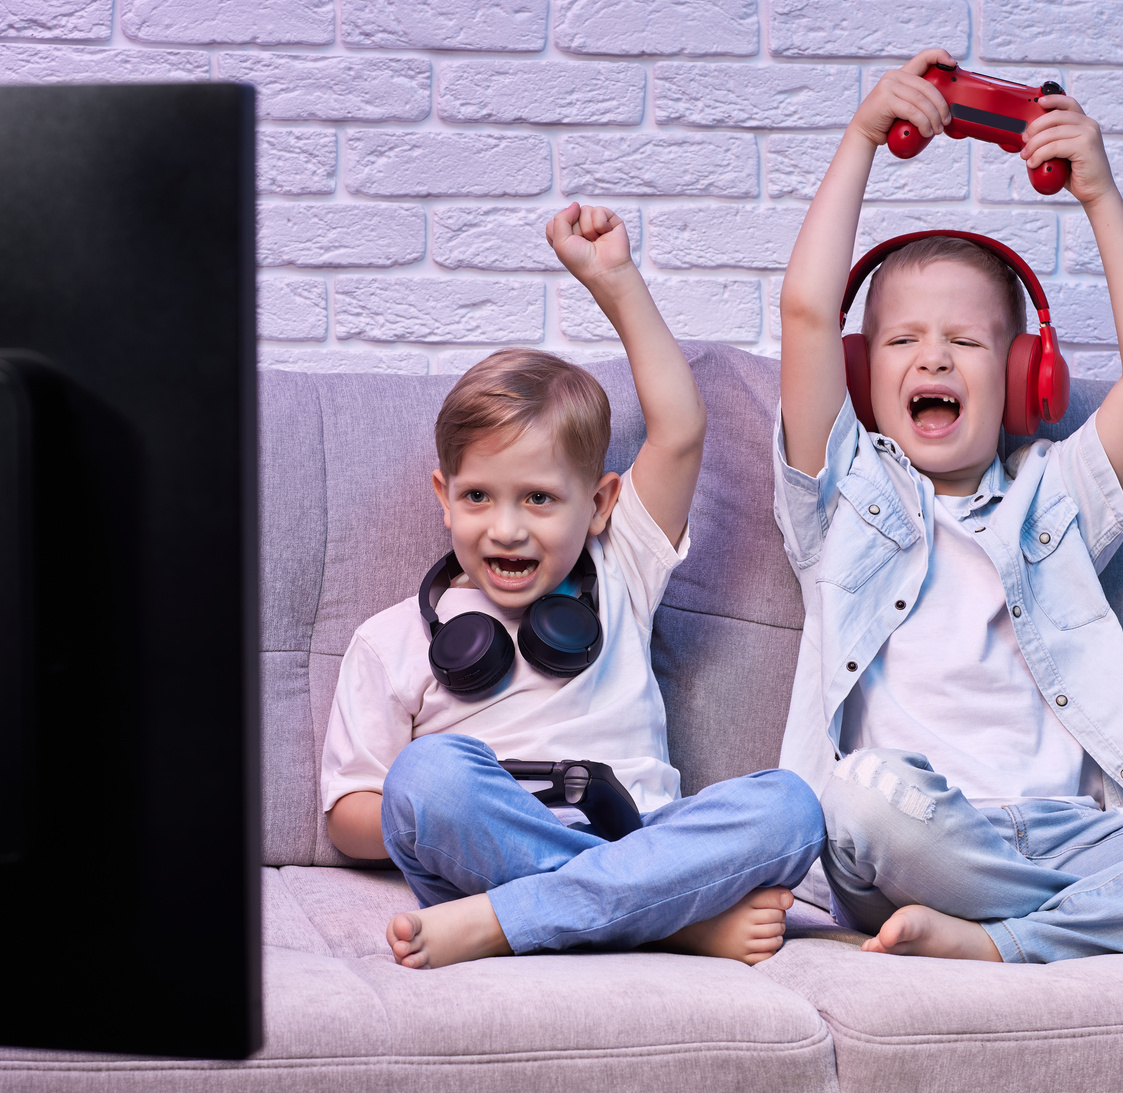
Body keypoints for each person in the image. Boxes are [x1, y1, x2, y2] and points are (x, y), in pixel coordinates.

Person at [773, 48, 1123, 963]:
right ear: (858, 373)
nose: (933, 359)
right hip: (921, 835)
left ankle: (1008, 939)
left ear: (1026, 381)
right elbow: (805, 312)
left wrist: (1100, 196)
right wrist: (859, 140)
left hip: (1079, 830)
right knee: (859, 792)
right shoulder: (844, 495)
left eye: (965, 340)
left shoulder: (1054, 494)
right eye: (903, 341)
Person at [321, 202, 825, 970]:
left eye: (540, 499)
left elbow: (680, 428)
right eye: (478, 496)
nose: (507, 528)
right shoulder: (389, 640)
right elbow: (349, 815)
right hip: (488, 850)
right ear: (442, 494)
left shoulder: (619, 570)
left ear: (599, 504)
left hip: (643, 838)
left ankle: (519, 918)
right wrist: (427, 802)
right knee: (426, 774)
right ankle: (666, 922)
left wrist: (614, 280)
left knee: (792, 806)